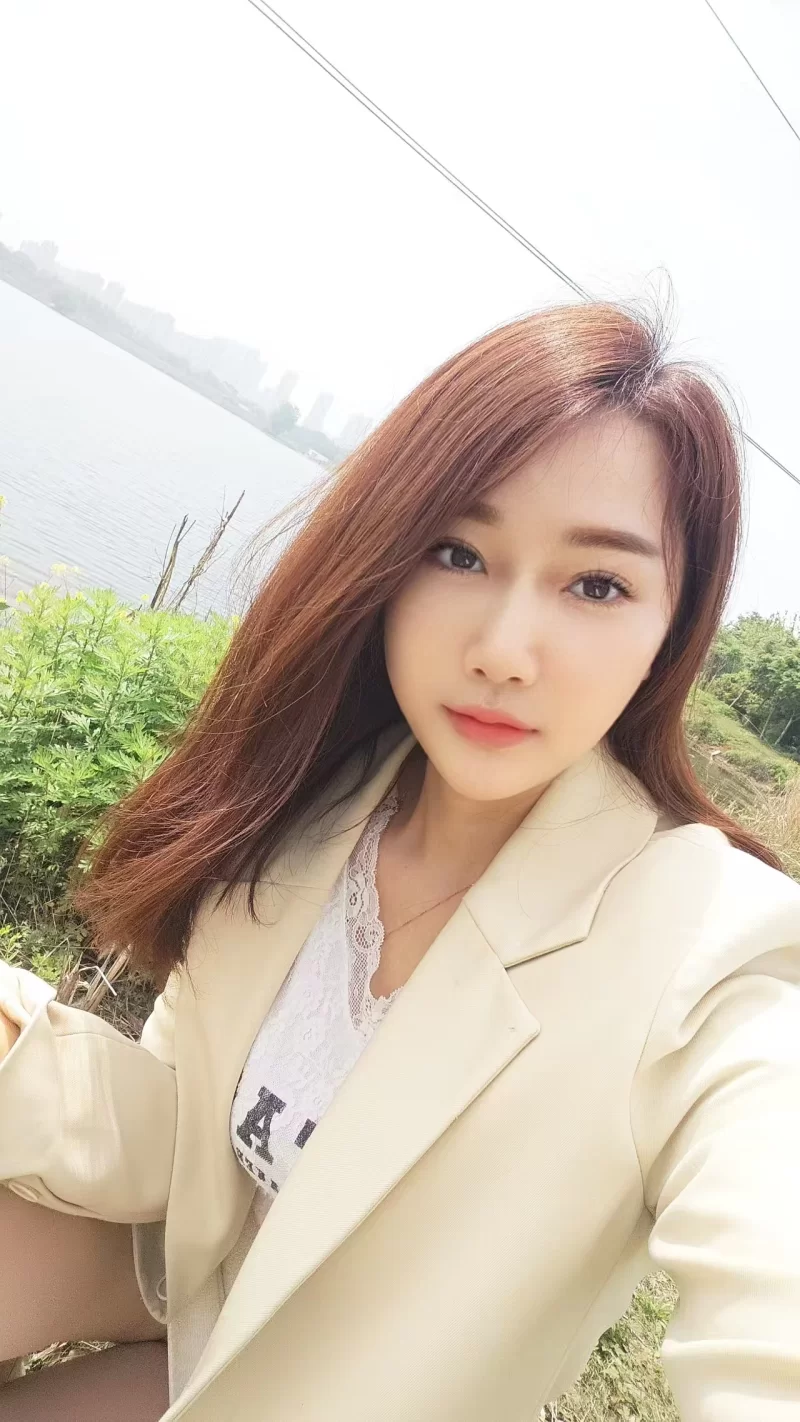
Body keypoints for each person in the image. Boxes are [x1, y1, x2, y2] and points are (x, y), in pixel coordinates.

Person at [1, 299, 799, 1422]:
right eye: (458, 553)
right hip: (185, 1278)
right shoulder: (315, 799)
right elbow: (194, 1136)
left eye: (596, 585)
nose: (502, 651)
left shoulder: (715, 952)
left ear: (672, 631)